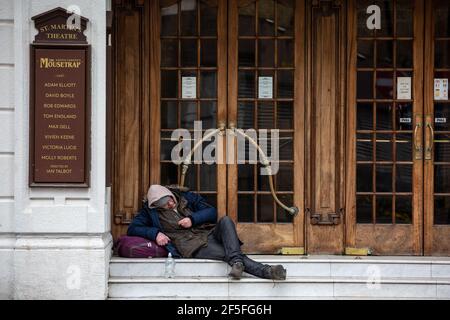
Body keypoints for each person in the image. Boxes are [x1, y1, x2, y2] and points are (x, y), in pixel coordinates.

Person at [128, 184, 287, 280]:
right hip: (192, 246)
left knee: (225, 220)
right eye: (164, 204)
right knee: (230, 253)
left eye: (169, 200)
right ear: (156, 206)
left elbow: (212, 212)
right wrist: (155, 233)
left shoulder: (185, 197)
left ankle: (237, 262)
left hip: (208, 233)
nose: (170, 204)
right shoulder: (150, 212)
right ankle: (268, 272)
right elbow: (133, 228)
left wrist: (193, 219)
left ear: (170, 194)